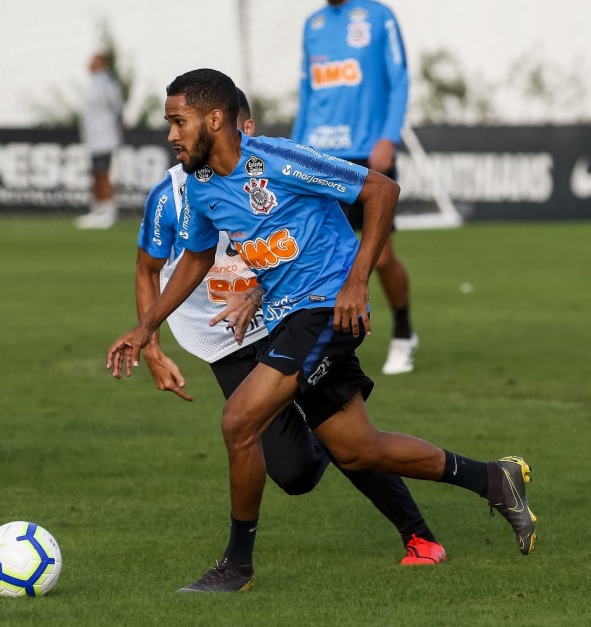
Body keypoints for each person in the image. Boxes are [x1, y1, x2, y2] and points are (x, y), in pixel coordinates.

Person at [107, 69, 537, 593]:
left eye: (179, 121)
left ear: (214, 119)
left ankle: (236, 567)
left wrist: (356, 283)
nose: (171, 134)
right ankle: (493, 478)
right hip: (289, 317)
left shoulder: (278, 160)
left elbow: (381, 190)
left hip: (325, 311)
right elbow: (196, 257)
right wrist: (145, 327)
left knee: (239, 421)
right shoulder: (200, 186)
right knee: (358, 448)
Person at [137, 87, 445, 568]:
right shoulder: (175, 195)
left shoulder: (268, 167)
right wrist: (150, 343)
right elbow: (150, 270)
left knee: (347, 445)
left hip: (290, 320)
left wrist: (263, 290)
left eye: (251, 127)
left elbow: (293, 245)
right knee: (297, 473)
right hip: (226, 342)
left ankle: (417, 535)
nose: (250, 139)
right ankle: (327, 435)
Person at [291, 0, 417, 375]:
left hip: (367, 153)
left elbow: (399, 80)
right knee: (311, 254)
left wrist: (389, 138)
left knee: (380, 258)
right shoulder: (312, 24)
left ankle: (404, 333)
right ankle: (320, 343)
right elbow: (307, 94)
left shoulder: (379, 16)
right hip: (319, 156)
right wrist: (295, 150)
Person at [75, 52, 124, 230]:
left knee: (103, 172)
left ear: (101, 62)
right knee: (95, 171)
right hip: (93, 136)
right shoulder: (93, 82)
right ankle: (98, 208)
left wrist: (117, 126)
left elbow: (117, 106)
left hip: (105, 135)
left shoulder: (107, 82)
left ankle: (109, 210)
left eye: (93, 60)